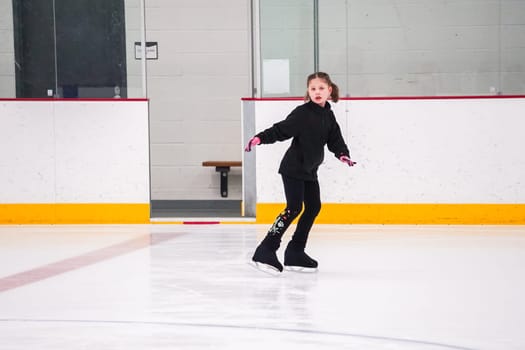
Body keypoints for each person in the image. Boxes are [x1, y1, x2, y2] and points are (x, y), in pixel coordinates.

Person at [244, 72, 356, 274]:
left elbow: (335, 140)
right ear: (308, 92)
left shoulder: (328, 115)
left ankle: (295, 252)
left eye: (321, 88)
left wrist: (342, 155)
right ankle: (266, 249)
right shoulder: (303, 113)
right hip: (293, 168)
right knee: (294, 207)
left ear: (329, 90)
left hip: (309, 170)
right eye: (313, 89)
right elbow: (282, 130)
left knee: (313, 207)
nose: (317, 92)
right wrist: (260, 138)